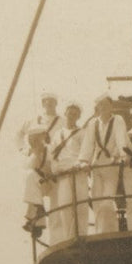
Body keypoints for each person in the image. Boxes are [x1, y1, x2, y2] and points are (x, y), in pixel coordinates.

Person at [78, 93, 129, 233]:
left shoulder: (117, 120)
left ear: (111, 106)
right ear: (98, 107)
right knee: (96, 200)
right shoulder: (93, 123)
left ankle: (111, 230)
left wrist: (122, 155)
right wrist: (84, 161)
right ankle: (101, 231)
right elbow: (88, 144)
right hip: (96, 165)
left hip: (111, 165)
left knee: (107, 201)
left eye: (107, 105)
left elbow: (121, 139)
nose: (104, 108)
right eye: (101, 105)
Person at [47, 99, 85, 242]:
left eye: (75, 114)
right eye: (70, 113)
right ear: (65, 114)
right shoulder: (58, 134)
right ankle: (69, 239)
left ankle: (81, 235)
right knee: (65, 205)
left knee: (80, 205)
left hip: (78, 172)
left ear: (78, 116)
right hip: (63, 174)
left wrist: (79, 165)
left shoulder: (82, 133)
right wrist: (56, 169)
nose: (72, 116)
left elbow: (85, 153)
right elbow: (53, 155)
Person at [22, 125, 51, 236]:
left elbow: (49, 167)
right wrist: (35, 153)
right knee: (31, 181)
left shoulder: (49, 149)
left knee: (31, 177)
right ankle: (37, 222)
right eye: (31, 139)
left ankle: (36, 215)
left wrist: (39, 154)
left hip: (49, 182)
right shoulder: (31, 154)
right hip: (38, 184)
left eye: (36, 138)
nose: (33, 141)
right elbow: (28, 168)